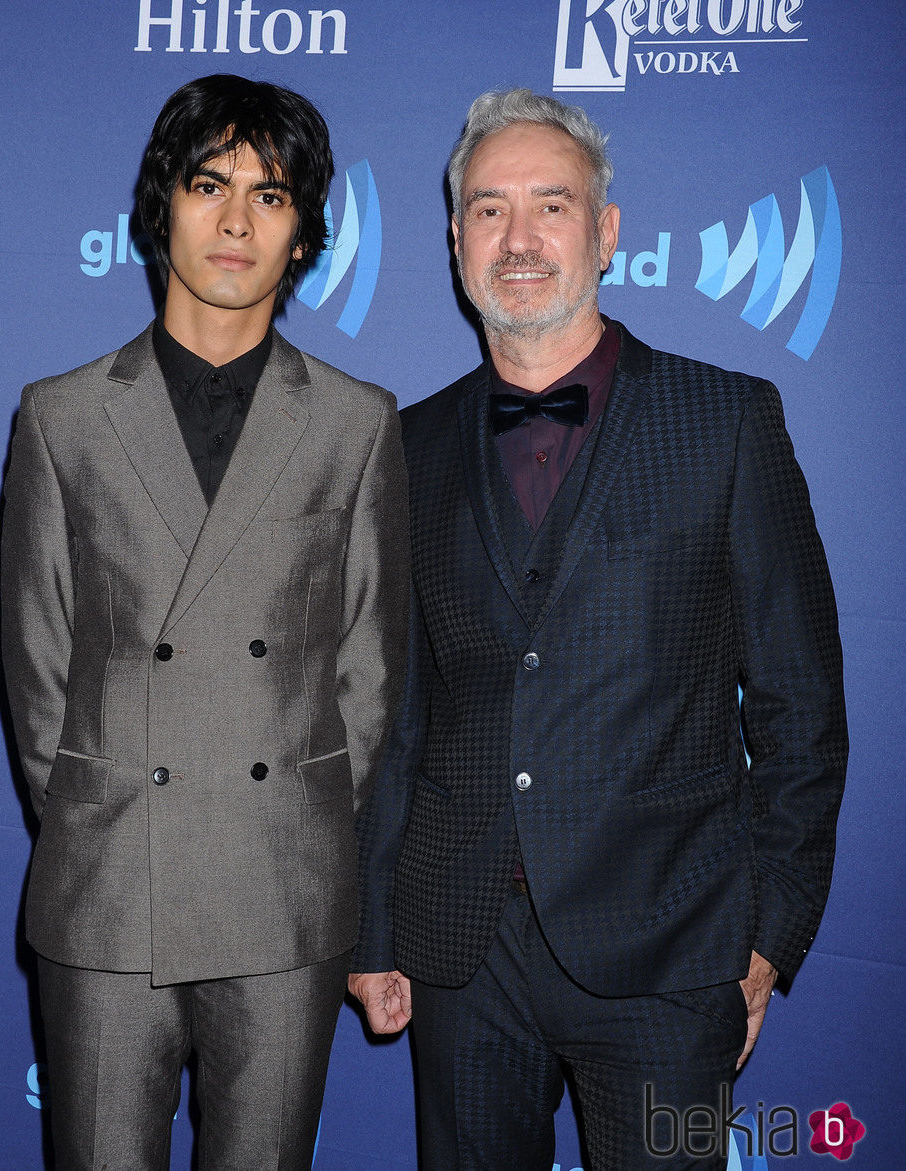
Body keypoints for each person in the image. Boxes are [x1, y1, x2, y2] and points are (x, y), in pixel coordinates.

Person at [349, 88, 847, 1169]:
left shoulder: (725, 421)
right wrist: (374, 925)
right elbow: (392, 709)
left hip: (671, 950)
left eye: (550, 205)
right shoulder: (403, 443)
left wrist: (766, 937)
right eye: (487, 210)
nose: (517, 239)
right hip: (459, 947)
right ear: (452, 240)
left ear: (606, 231)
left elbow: (798, 704)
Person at [0, 74, 408, 1170]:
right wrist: (106, 807)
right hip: (106, 892)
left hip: (282, 896)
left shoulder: (357, 423)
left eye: (271, 196)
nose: (235, 221)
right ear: (159, 206)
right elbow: (37, 670)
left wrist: (297, 829)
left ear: (303, 234)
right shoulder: (64, 415)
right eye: (208, 183)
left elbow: (368, 676)